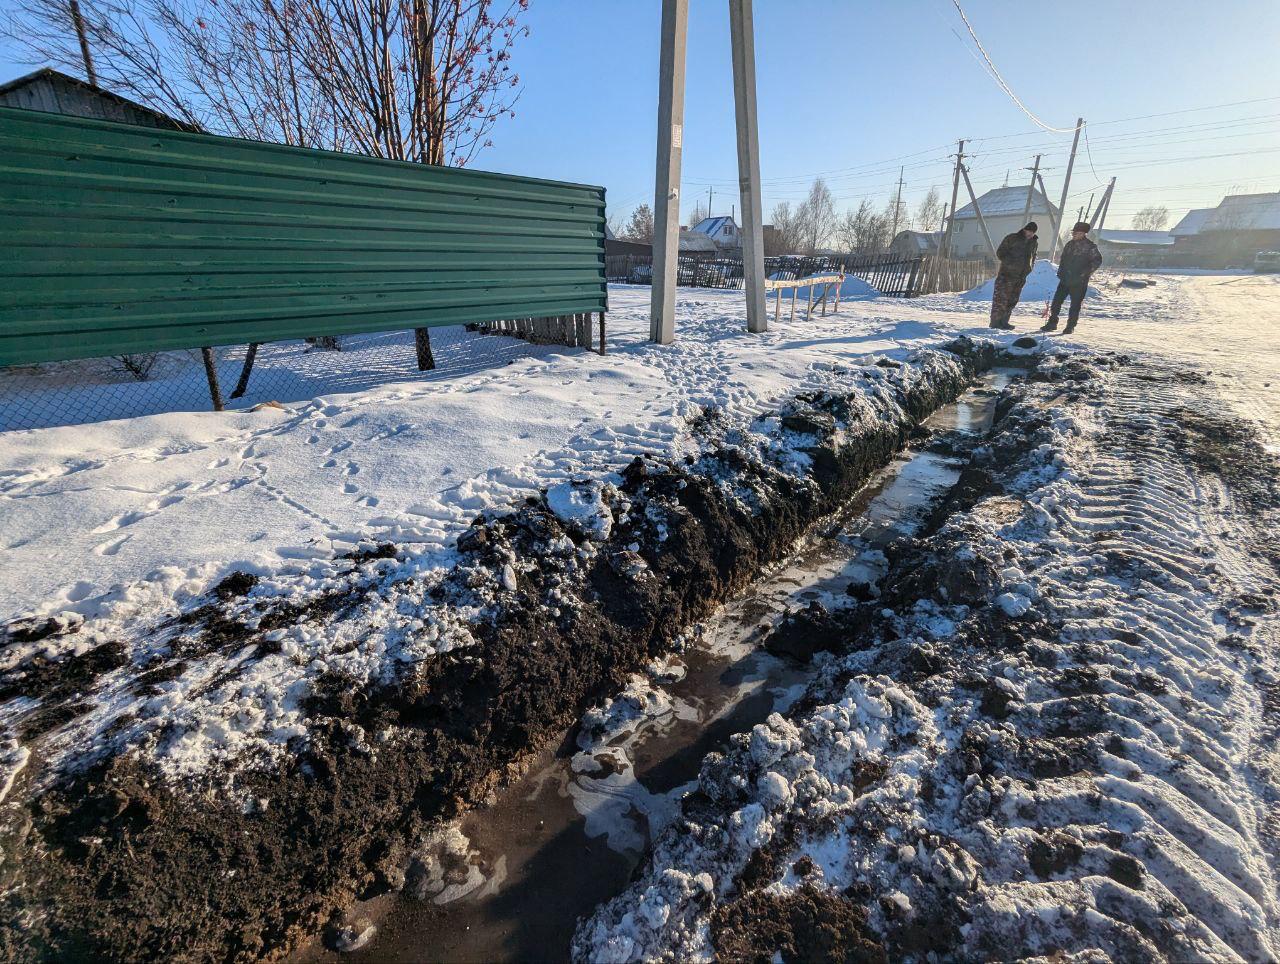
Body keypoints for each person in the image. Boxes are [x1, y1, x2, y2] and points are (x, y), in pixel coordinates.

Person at [1041, 221, 1102, 334]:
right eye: (1073, 232)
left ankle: (1070, 326)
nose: (1074, 235)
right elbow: (1063, 259)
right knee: (1056, 302)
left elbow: (1097, 261)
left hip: (1079, 281)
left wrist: (1084, 274)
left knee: (1075, 305)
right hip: (1065, 279)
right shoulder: (1069, 244)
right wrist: (1061, 272)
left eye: (1076, 233)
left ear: (1083, 233)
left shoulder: (1090, 247)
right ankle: (1052, 323)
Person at [989, 221, 1039, 330]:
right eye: (1029, 231)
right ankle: (995, 323)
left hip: (1021, 277)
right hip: (1006, 275)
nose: (1030, 234)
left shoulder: (1034, 243)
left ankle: (1004, 322)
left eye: (1033, 232)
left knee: (1012, 300)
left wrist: (1030, 268)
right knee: (1000, 300)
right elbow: (1000, 253)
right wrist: (1010, 263)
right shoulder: (1012, 238)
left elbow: (1033, 257)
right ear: (1024, 230)